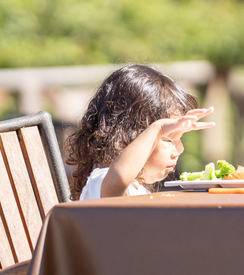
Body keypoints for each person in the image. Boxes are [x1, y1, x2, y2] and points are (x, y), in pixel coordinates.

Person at [66, 64, 214, 200]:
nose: (180, 149)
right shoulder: (102, 179)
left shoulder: (137, 189)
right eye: (169, 139)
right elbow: (119, 180)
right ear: (124, 137)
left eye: (180, 138)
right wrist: (158, 129)